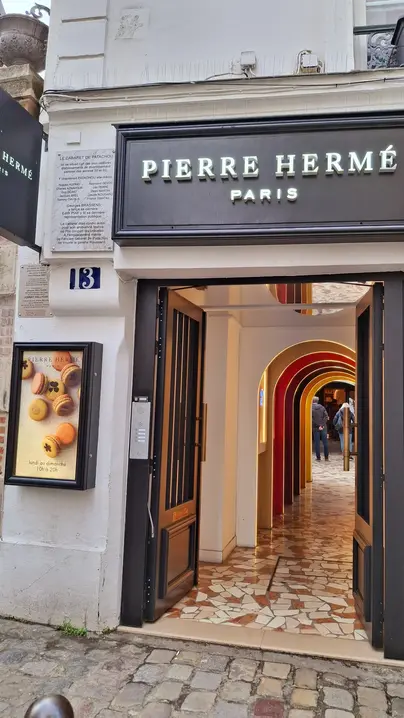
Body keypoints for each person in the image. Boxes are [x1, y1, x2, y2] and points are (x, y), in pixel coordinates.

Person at [312, 396, 329, 461]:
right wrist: (321, 425)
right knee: (325, 442)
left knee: (317, 443)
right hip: (323, 427)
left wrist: (318, 425)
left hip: (315, 427)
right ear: (317, 401)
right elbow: (326, 416)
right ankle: (326, 457)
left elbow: (311, 419)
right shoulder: (322, 407)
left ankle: (318, 457)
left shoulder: (310, 408)